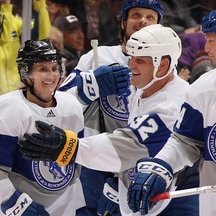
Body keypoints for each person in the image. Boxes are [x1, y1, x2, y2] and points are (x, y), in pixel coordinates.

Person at [19, 24, 200, 216]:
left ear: (162, 65)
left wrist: (68, 148)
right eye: (131, 58)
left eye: (140, 61)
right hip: (146, 196)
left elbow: (127, 145)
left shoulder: (173, 104)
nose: (131, 65)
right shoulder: (145, 88)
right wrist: (117, 180)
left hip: (175, 203)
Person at [0, 39, 129, 215]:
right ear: (25, 73)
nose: (51, 75)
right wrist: (15, 206)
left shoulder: (72, 107)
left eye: (54, 68)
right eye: (43, 69)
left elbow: (76, 164)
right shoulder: (2, 111)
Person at [58, 0, 163, 214]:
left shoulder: (164, 68)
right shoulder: (98, 57)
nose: (142, 20)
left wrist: (124, 181)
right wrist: (90, 87)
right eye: (135, 15)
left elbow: (167, 127)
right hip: (93, 164)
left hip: (138, 171)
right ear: (123, 22)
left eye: (150, 17)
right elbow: (58, 105)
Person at [125, 8, 216, 216]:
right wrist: (161, 167)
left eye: (211, 41)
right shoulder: (203, 88)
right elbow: (185, 141)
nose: (206, 48)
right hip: (214, 207)